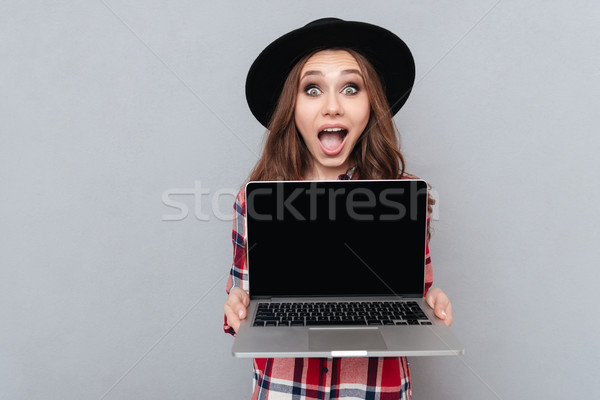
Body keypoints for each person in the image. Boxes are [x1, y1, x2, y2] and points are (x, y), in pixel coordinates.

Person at [223, 18, 453, 400]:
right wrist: (236, 305)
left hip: (375, 390)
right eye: (312, 89)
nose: (332, 107)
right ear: (291, 107)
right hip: (285, 390)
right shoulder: (254, 200)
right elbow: (243, 302)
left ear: (371, 104)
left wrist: (432, 303)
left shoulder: (403, 194)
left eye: (351, 88)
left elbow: (417, 296)